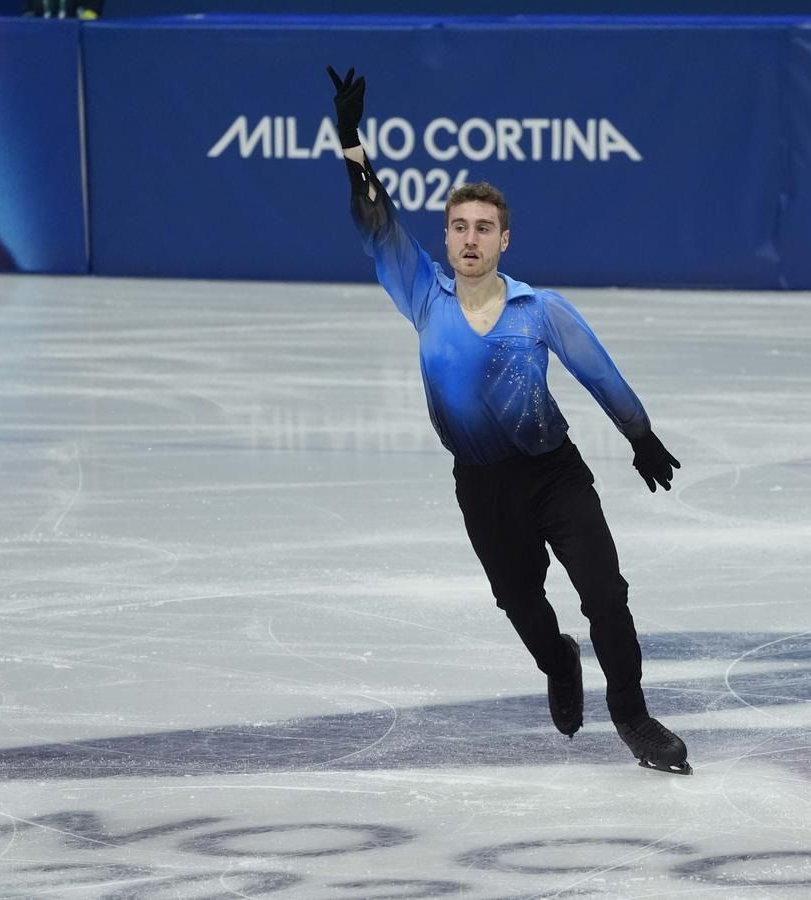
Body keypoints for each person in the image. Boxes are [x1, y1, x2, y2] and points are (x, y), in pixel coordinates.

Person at [326, 66, 691, 775]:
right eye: (459, 227)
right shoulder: (423, 294)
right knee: (520, 601)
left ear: (504, 240)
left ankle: (633, 716)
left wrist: (640, 435)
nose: (470, 238)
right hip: (482, 485)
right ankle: (558, 662)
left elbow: (596, 370)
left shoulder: (538, 308)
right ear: (446, 238)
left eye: (484, 228)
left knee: (606, 594)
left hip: (554, 474)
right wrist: (351, 144)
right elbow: (377, 221)